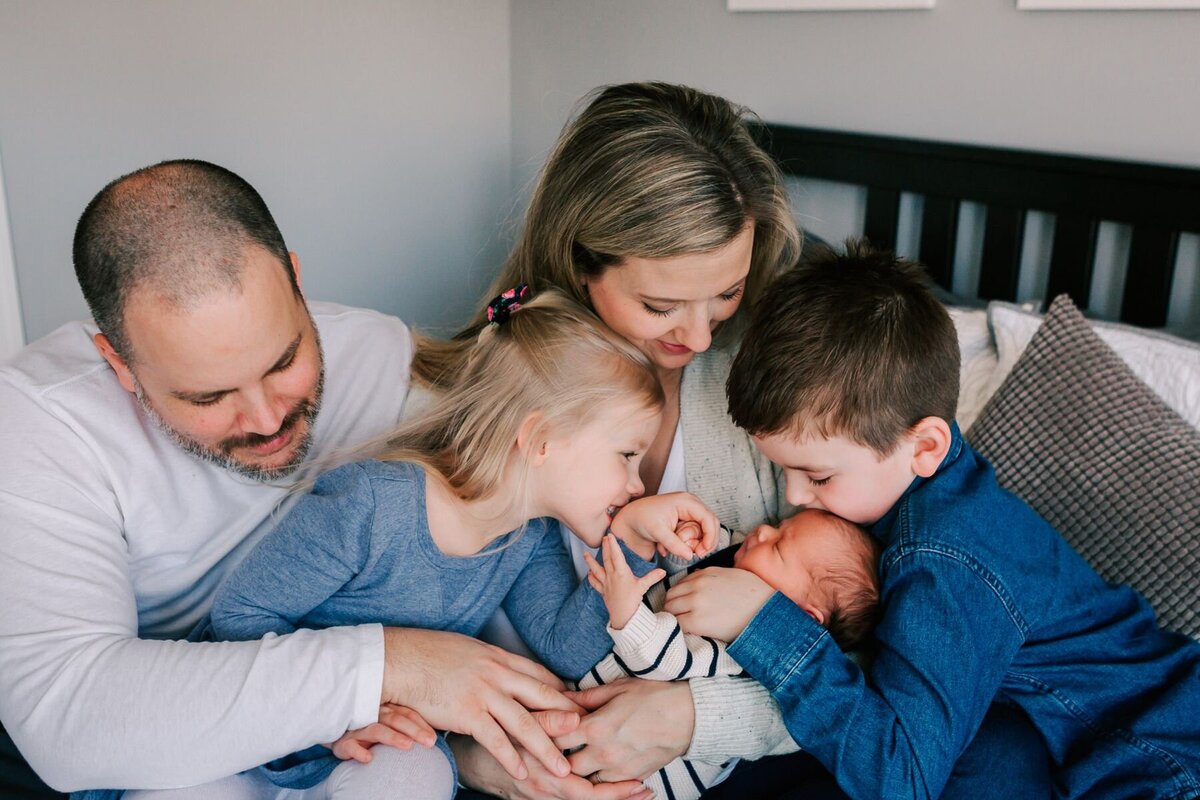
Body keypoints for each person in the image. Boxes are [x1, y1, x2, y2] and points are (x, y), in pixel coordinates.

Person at [0, 161, 589, 798]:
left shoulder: (381, 357)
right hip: (182, 758)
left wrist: (489, 746)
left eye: (285, 360)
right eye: (209, 397)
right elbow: (72, 725)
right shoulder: (38, 423)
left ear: (297, 283)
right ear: (119, 363)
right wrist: (393, 664)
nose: (267, 417)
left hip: (369, 745)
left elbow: (488, 558)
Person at [672, 239, 1200, 799]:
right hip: (1059, 740)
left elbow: (902, 780)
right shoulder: (902, 488)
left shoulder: (942, 556)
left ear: (924, 446)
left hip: (1155, 757)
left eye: (819, 476)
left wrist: (766, 626)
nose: (797, 497)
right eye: (786, 472)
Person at [185, 289, 725, 800]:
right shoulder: (373, 504)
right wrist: (330, 716)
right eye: (626, 456)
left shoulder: (525, 536)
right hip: (261, 723)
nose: (637, 484)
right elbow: (241, 613)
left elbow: (569, 648)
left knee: (420, 770)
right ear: (539, 442)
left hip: (376, 745)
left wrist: (628, 540)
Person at [580, 508, 881, 800]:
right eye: (779, 526)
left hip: (626, 774)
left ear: (797, 617)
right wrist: (687, 541)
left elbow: (660, 661)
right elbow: (706, 557)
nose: (762, 530)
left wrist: (626, 611)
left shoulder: (736, 657)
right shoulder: (742, 567)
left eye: (777, 547)